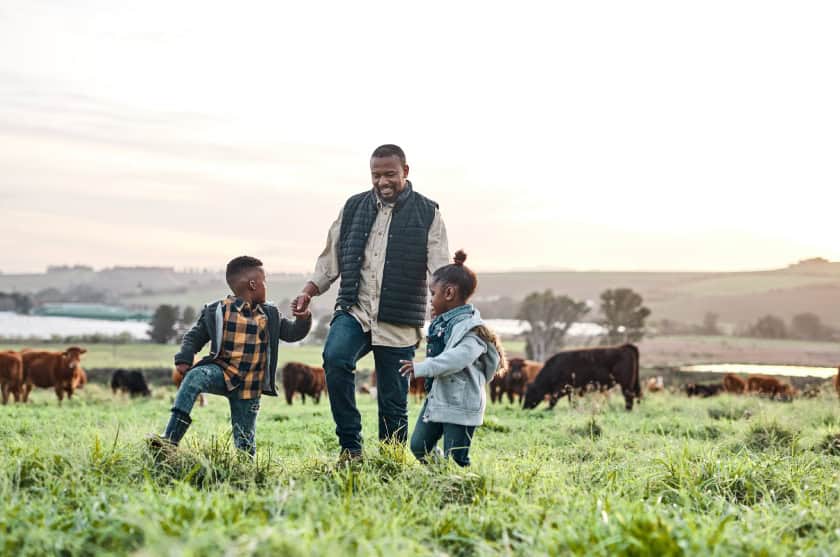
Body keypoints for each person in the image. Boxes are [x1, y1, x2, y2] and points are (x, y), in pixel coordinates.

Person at [292, 144, 449, 462]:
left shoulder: (428, 212)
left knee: (393, 401)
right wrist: (309, 291)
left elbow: (439, 268)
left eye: (390, 174)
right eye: (376, 175)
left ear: (405, 171)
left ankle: (391, 461)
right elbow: (330, 259)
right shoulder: (353, 207)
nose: (382, 181)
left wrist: (445, 305)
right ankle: (351, 447)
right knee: (335, 359)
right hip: (355, 309)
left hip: (399, 318)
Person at [149, 256, 311, 456]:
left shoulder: (270, 314)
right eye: (264, 281)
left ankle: (246, 472)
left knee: (245, 442)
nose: (266, 285)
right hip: (222, 373)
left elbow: (293, 333)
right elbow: (194, 336)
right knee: (194, 377)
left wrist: (303, 319)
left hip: (250, 387)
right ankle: (170, 441)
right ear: (253, 284)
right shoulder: (217, 310)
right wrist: (184, 358)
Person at [399, 251, 505, 467]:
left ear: (449, 293)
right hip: (439, 398)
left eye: (432, 294)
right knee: (420, 446)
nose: (430, 300)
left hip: (462, 403)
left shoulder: (472, 330)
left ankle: (458, 485)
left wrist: (423, 367)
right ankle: (441, 476)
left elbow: (456, 358)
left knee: (456, 457)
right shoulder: (444, 323)